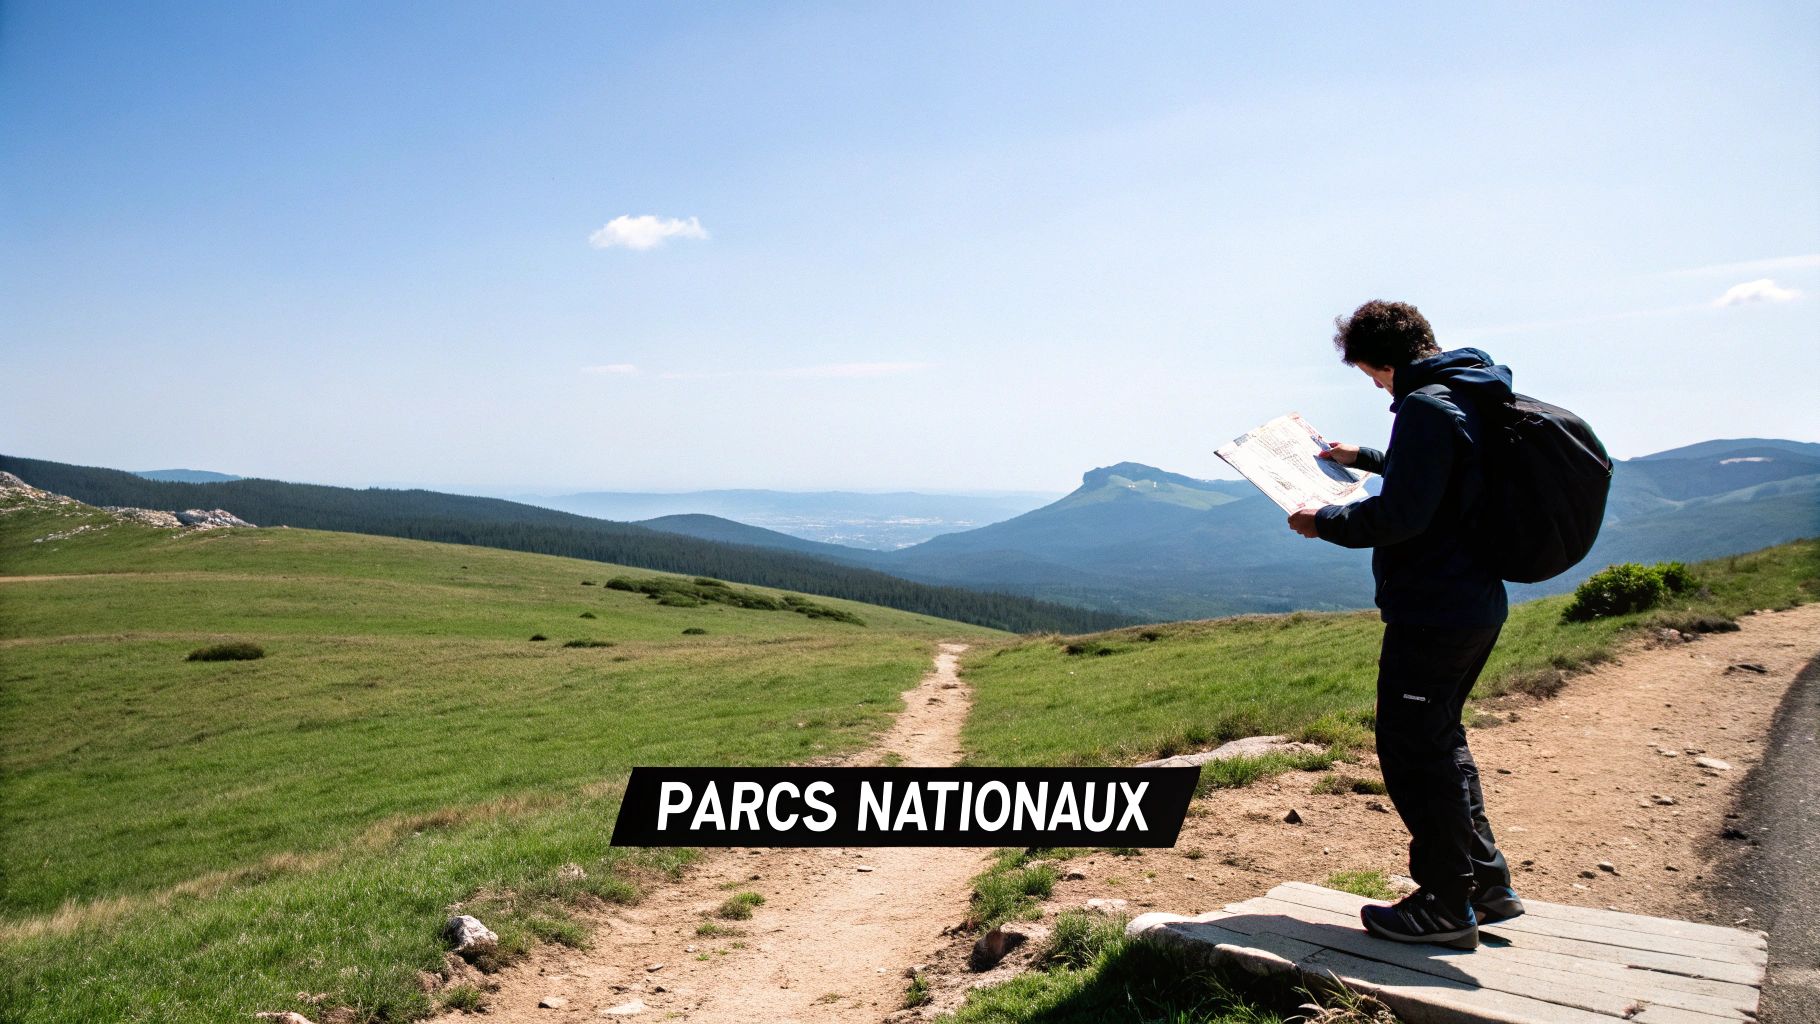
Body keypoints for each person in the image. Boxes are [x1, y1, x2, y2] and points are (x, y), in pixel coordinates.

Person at [1285, 299, 1523, 951]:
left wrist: (1323, 521)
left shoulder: (1424, 405)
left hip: (1433, 605)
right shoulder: (1470, 391)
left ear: (1387, 361)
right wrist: (1360, 454)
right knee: (1440, 740)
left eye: (1372, 375)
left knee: (1413, 750)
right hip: (1473, 599)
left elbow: (1403, 516)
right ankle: (1486, 886)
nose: (1376, 386)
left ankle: (1445, 904)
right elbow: (1440, 474)